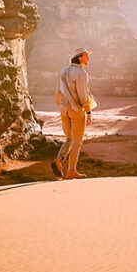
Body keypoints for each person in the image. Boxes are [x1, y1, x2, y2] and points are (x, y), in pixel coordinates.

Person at [51, 47, 94, 180]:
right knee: (77, 140)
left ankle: (59, 159)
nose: (88, 59)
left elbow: (58, 91)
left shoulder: (63, 71)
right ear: (80, 57)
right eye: (86, 56)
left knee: (69, 138)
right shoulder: (81, 73)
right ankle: (71, 170)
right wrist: (88, 112)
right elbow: (83, 95)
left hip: (64, 109)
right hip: (76, 110)